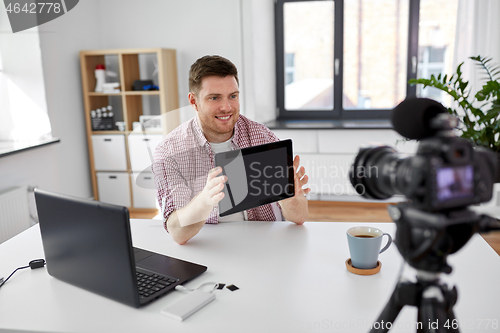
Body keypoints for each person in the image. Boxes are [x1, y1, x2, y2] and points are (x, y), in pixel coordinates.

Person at [152, 55, 310, 245]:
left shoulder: (262, 137)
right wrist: (205, 200)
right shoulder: (169, 152)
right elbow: (177, 232)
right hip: (210, 249)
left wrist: (289, 197)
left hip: (265, 245)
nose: (226, 107)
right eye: (214, 98)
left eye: (233, 96)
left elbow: (300, 216)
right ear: (193, 101)